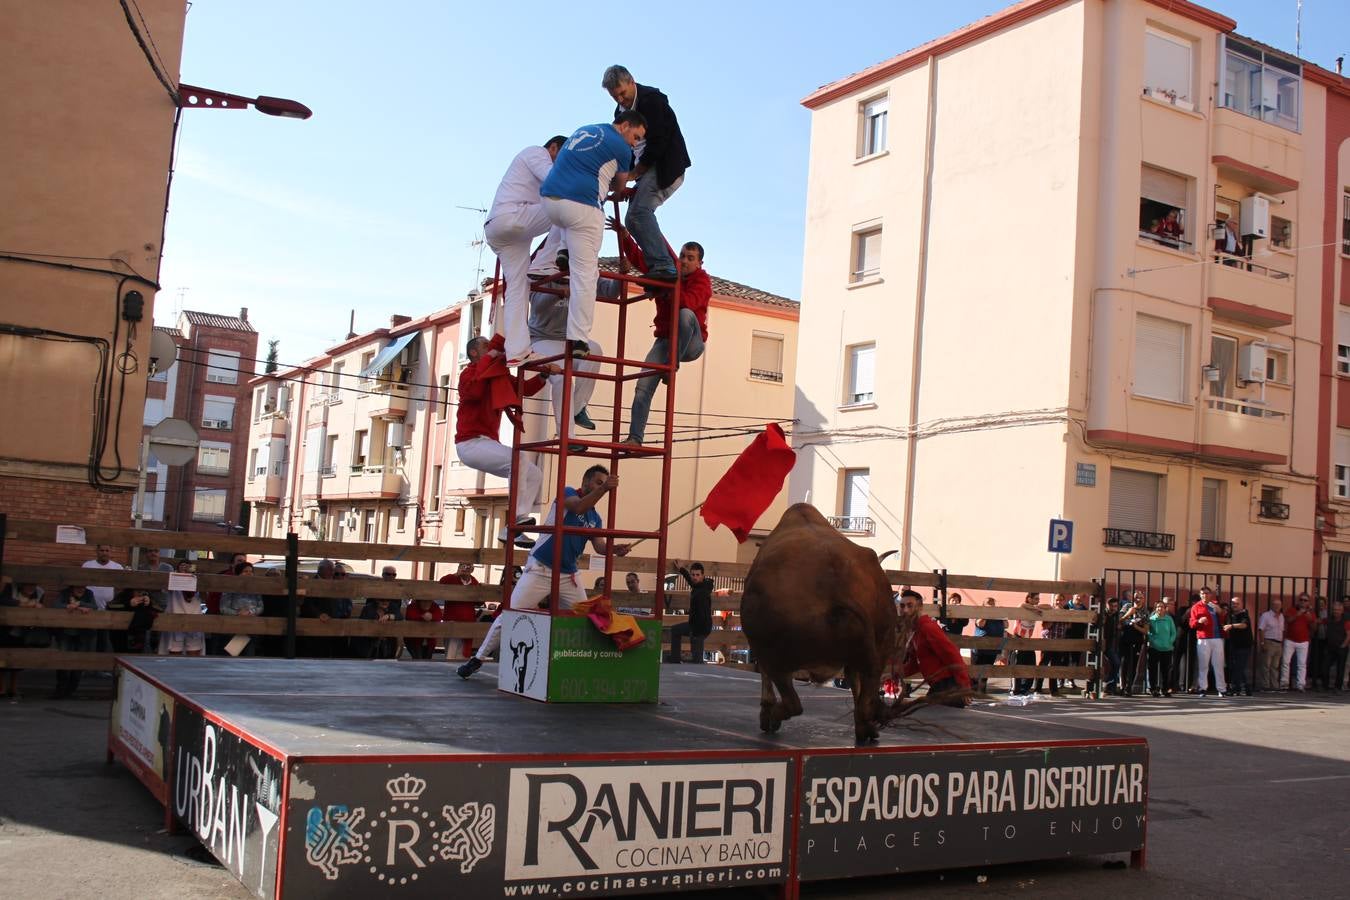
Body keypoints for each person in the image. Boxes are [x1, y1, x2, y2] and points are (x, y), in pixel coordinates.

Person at [459, 465, 631, 678]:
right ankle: (478, 658)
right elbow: (578, 507)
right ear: (585, 482)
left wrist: (615, 549)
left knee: (586, 617)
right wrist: (604, 489)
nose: (602, 486)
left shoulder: (595, 518)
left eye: (604, 483)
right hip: (541, 567)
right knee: (511, 612)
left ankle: (582, 664)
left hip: (569, 575)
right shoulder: (568, 493)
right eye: (598, 482)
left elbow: (600, 546)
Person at [537, 112, 646, 357]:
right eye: (636, 136)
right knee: (586, 276)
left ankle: (563, 250)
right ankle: (578, 339)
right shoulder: (622, 150)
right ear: (625, 125)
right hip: (582, 207)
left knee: (570, 220)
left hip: (550, 201)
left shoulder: (584, 129)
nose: (634, 144)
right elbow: (618, 186)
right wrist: (619, 191)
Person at [610, 220, 712, 445]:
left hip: (690, 343)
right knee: (642, 386)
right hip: (665, 342)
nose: (684, 261)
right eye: (683, 255)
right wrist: (625, 235)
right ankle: (635, 438)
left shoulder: (702, 281)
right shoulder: (668, 271)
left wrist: (663, 290)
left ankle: (671, 365)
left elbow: (687, 303)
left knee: (685, 315)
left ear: (699, 263)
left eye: (690, 258)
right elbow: (641, 259)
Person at [455, 335, 551, 548]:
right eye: (485, 346)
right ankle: (516, 521)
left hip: (485, 442)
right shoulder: (469, 373)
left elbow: (524, 389)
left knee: (535, 474)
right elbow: (475, 390)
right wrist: (492, 356)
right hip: (469, 443)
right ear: (474, 353)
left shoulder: (496, 374)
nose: (491, 347)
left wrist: (543, 376)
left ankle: (514, 527)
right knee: (519, 459)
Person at [484, 135, 568, 366]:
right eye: (563, 157)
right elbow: (555, 180)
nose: (564, 164)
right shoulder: (536, 153)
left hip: (503, 231)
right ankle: (546, 261)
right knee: (570, 206)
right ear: (553, 148)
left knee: (518, 289)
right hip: (511, 218)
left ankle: (517, 351)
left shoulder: (532, 162)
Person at [602, 65, 691, 281]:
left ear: (632, 81)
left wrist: (633, 175)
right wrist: (623, 181)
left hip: (663, 165)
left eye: (623, 93)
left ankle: (664, 266)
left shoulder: (652, 100)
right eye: (615, 97)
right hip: (643, 170)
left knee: (639, 213)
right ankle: (658, 267)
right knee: (632, 220)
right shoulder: (620, 113)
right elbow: (627, 150)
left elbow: (658, 143)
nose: (621, 100)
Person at [896, 589, 971, 705]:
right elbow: (915, 664)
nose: (905, 610)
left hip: (948, 686)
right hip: (937, 687)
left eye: (910, 606)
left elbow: (952, 655)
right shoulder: (915, 631)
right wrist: (894, 674)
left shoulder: (928, 628)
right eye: (902, 606)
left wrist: (964, 687)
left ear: (920, 607)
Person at [1, 581, 46, 701]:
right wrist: (23, 604)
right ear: (22, 585)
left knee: (18, 661)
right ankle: (2, 688)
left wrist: (38, 608)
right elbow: (4, 601)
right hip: (6, 629)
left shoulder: (40, 592)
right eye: (29, 585)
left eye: (33, 585)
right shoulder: (11, 588)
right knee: (3, 660)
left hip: (24, 630)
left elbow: (40, 608)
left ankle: (14, 688)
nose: (31, 588)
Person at [54, 583, 97, 698]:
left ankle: (71, 690)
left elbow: (94, 606)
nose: (80, 589)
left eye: (82, 587)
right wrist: (72, 607)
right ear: (72, 587)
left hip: (82, 633)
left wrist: (79, 603)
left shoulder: (89, 593)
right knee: (63, 660)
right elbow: (56, 605)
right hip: (65, 632)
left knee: (79, 662)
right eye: (77, 587)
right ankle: (60, 690)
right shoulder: (64, 593)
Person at [667, 561, 712, 664]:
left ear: (703, 576)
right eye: (693, 575)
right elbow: (691, 581)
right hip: (693, 625)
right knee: (675, 630)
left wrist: (694, 634)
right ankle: (675, 659)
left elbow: (703, 615)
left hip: (701, 629)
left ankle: (696, 662)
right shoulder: (698, 585)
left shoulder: (703, 591)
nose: (695, 577)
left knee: (697, 662)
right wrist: (682, 569)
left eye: (697, 575)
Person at [82, 543, 123, 654]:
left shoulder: (117, 567)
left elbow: (121, 589)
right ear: (97, 551)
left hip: (107, 610)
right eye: (101, 550)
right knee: (87, 639)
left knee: (103, 640)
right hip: (89, 609)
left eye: (107, 550)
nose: (104, 553)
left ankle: (98, 669)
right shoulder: (87, 565)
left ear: (110, 552)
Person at [357, 567, 405, 659]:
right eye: (388, 574)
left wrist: (389, 616)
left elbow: (399, 615)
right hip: (370, 642)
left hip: (388, 638)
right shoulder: (369, 607)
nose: (385, 601)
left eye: (393, 575)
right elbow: (365, 623)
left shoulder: (394, 601)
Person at [1189, 588, 1228, 697]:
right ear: (1200, 595)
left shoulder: (1214, 605)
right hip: (1203, 638)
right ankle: (1202, 688)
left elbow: (1224, 617)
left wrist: (1220, 611)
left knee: (1219, 664)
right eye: (1202, 593)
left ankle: (1222, 689)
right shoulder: (1196, 607)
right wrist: (1199, 621)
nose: (1204, 595)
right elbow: (1191, 624)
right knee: (1203, 665)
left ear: (1210, 595)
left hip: (1217, 638)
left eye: (1207, 593)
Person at [162, 559, 204, 657]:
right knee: (174, 651)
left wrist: (196, 580)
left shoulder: (196, 579)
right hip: (176, 617)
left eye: (188, 566)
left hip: (194, 618)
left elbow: (204, 596)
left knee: (194, 651)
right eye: (182, 566)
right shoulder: (174, 579)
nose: (185, 568)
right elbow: (164, 589)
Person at [220, 561, 264, 656]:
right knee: (232, 655)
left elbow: (260, 606)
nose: (249, 573)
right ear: (238, 573)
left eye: (251, 571)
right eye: (245, 571)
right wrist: (238, 613)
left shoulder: (256, 588)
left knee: (249, 656)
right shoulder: (230, 587)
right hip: (234, 626)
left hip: (251, 626)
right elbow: (223, 607)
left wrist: (251, 612)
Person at [438, 563, 481, 660]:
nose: (466, 569)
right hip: (452, 620)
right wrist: (456, 574)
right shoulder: (451, 579)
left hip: (468, 621)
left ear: (472, 569)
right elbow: (441, 583)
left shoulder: (474, 582)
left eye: (468, 566)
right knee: (450, 652)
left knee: (463, 653)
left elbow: (479, 601)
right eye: (464, 566)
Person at [1281, 593, 1314, 692]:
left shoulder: (1310, 613)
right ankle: (1284, 684)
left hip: (1303, 641)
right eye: (1301, 600)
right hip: (1290, 639)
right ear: (1298, 601)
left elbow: (1314, 628)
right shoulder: (1291, 610)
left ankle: (1300, 685)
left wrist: (1309, 618)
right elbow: (1289, 620)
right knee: (1285, 662)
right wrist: (1298, 614)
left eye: (1305, 600)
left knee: (1302, 664)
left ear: (1308, 602)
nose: (1303, 602)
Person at [107, 586, 156, 653]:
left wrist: (149, 603)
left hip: (138, 636)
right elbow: (111, 607)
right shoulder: (123, 596)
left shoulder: (147, 597)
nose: (140, 593)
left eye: (142, 591)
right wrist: (128, 603)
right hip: (121, 635)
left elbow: (159, 609)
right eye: (138, 591)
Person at [972, 597, 1005, 694]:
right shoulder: (981, 614)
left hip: (993, 648)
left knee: (987, 670)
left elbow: (1006, 625)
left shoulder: (998, 616)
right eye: (989, 604)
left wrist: (1001, 614)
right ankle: (972, 691)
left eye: (992, 603)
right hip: (980, 647)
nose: (991, 605)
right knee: (976, 671)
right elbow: (980, 624)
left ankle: (982, 691)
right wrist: (987, 613)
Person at [1011, 593, 1041, 696]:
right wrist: (1035, 608)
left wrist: (1036, 608)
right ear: (1029, 598)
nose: (1038, 600)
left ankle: (1025, 689)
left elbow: (1049, 607)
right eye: (1036, 598)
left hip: (1028, 639)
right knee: (1018, 664)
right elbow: (1021, 605)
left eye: (1039, 599)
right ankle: (1015, 689)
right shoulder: (1023, 607)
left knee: (1031, 663)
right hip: (1018, 638)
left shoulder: (1036, 608)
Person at [1118, 598, 1149, 697]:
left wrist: (1136, 626)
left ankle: (1129, 687)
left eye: (1140, 597)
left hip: (1137, 640)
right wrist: (1128, 613)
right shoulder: (1127, 607)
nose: (1137, 599)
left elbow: (1145, 630)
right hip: (1125, 639)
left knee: (1134, 663)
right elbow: (1119, 622)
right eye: (1136, 597)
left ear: (1143, 599)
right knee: (1124, 663)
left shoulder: (1145, 611)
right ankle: (1122, 687)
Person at [1223, 595, 1253, 696]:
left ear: (1241, 605)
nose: (1234, 605)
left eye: (1237, 603)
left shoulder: (1244, 614)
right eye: (1233, 603)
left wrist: (1231, 626)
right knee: (1237, 667)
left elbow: (1244, 625)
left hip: (1244, 645)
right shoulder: (1231, 615)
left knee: (1238, 667)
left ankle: (1235, 688)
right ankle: (1246, 689)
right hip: (1234, 645)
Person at [1147, 600, 1177, 697]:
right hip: (1154, 648)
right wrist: (1154, 642)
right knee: (1153, 670)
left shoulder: (1169, 619)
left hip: (1167, 648)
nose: (1160, 608)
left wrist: (1170, 642)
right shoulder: (1151, 619)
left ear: (1165, 609)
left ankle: (1165, 689)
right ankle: (1153, 689)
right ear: (1155, 609)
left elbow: (1173, 632)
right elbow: (1148, 633)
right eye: (1158, 607)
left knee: (1166, 670)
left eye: (1162, 607)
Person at [1255, 598, 1284, 692]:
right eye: (1275, 605)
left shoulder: (1281, 616)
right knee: (1266, 665)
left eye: (1279, 605)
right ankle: (1265, 685)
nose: (1277, 607)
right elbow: (1261, 629)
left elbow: (1282, 630)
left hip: (1278, 643)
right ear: (1271, 605)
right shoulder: (1266, 616)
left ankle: (1274, 686)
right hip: (1269, 641)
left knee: (1275, 666)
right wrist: (1262, 643)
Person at [405, 596, 444, 660]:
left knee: (428, 659)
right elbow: (410, 616)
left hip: (430, 641)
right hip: (414, 640)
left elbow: (439, 616)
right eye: (424, 601)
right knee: (418, 659)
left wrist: (432, 616)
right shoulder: (412, 606)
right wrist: (422, 616)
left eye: (429, 601)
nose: (427, 603)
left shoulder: (434, 606)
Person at [1100, 597, 1121, 694]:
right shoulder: (1102, 614)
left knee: (1116, 663)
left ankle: (1110, 685)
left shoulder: (1116, 615)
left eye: (1115, 606)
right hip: (1099, 643)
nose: (1113, 608)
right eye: (1111, 606)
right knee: (1097, 665)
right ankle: (1098, 686)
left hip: (1110, 644)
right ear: (1107, 605)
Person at [1309, 596, 1330, 690]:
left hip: (1325, 638)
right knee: (1314, 658)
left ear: (1325, 604)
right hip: (1315, 638)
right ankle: (1314, 677)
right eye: (1319, 604)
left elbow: (1328, 621)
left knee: (1323, 658)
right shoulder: (1314, 612)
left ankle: (1322, 678)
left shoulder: (1327, 613)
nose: (1321, 605)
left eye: (1322, 604)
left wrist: (1321, 621)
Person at [1328, 599, 1349, 692]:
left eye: (1338, 610)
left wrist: (1343, 645)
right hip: (1331, 647)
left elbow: (1349, 634)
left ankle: (1338, 686)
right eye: (1334, 609)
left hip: (1341, 647)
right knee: (1326, 665)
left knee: (1341, 667)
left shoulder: (1346, 621)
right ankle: (1326, 685)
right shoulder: (1330, 619)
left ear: (1342, 611)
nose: (1336, 611)